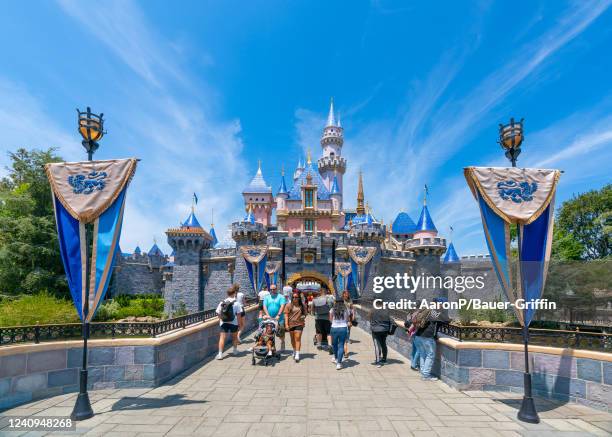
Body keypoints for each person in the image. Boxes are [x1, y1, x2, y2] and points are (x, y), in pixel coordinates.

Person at [411, 302, 448, 380]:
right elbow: (447, 320)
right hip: (427, 337)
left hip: (418, 335)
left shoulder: (426, 311)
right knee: (430, 355)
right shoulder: (437, 312)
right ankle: (426, 375)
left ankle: (423, 372)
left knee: (422, 354)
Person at [215, 285, 244, 360]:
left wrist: (221, 319)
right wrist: (240, 324)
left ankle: (220, 354)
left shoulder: (222, 302)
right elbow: (239, 315)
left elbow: (218, 312)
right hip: (233, 322)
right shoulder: (236, 303)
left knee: (222, 338)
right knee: (234, 337)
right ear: (234, 293)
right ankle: (235, 351)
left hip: (223, 322)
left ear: (227, 294)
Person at [310, 286, 335, 353]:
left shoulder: (315, 299)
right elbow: (333, 307)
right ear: (325, 292)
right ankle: (330, 345)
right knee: (329, 332)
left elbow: (312, 310)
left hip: (318, 318)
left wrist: (314, 314)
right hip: (327, 318)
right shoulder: (329, 299)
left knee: (318, 332)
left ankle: (319, 344)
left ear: (320, 292)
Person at [284, 290, 307, 362]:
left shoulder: (302, 305)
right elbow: (286, 315)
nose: (295, 298)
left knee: (297, 338)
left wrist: (303, 317)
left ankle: (297, 353)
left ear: (299, 298)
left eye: (296, 297)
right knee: (292, 339)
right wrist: (286, 324)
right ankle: (294, 350)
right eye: (293, 297)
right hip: (291, 324)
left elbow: (305, 314)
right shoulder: (288, 305)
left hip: (299, 324)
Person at [263, 284, 287, 351]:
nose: (272, 290)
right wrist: (267, 315)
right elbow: (264, 306)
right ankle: (271, 346)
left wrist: (278, 315)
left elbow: (282, 306)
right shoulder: (267, 297)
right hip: (269, 318)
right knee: (268, 333)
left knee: (280, 332)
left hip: (279, 318)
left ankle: (282, 342)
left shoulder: (281, 297)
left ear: (276, 289)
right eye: (271, 289)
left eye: (274, 289)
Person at [329, 300, 351, 370]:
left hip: (334, 328)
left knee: (334, 344)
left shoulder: (332, 309)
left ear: (335, 302)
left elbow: (330, 319)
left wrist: (335, 322)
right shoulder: (346, 309)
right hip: (343, 328)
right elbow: (347, 319)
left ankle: (335, 358)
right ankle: (339, 363)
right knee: (341, 345)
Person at [341, 290, 355, 359]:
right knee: (343, 332)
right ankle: (344, 345)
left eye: (347, 294)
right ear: (343, 295)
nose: (347, 295)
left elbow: (352, 308)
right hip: (342, 318)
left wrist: (353, 315)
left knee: (348, 329)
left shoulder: (350, 300)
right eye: (345, 294)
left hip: (348, 318)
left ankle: (347, 339)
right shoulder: (341, 300)